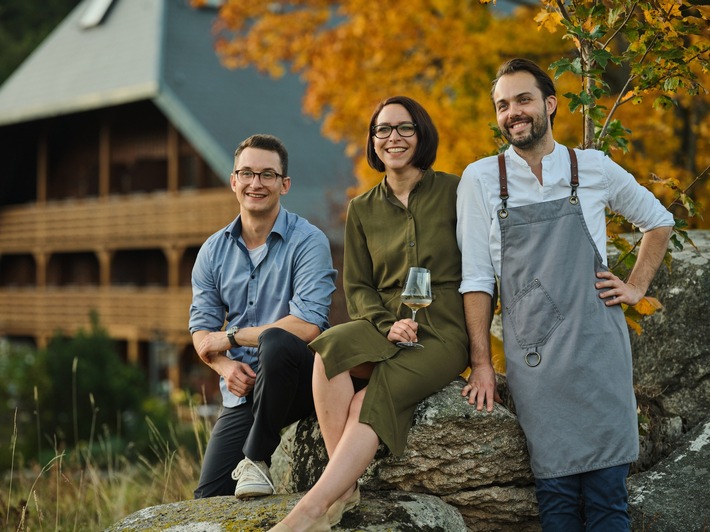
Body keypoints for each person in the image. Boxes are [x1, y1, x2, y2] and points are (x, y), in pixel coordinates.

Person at [456, 58, 674, 530]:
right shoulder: (480, 179)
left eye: (522, 100)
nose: (512, 112)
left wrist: (635, 287)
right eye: (502, 105)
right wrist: (481, 363)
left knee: (608, 499)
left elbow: (658, 221)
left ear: (550, 104)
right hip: (537, 360)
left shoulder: (591, 167)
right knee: (555, 498)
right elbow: (476, 279)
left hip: (599, 351)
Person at [269, 96, 470, 531]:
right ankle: (343, 488)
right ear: (372, 141)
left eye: (404, 128)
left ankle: (312, 509)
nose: (393, 138)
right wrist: (386, 324)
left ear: (422, 135)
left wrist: (486, 361)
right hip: (385, 322)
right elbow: (358, 287)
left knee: (369, 397)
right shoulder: (361, 208)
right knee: (328, 348)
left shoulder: (456, 191)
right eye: (383, 129)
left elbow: (480, 269)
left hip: (444, 331)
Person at [189, 133, 337, 499]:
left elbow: (307, 324)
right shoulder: (213, 250)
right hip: (246, 389)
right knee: (209, 499)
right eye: (248, 173)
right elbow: (202, 330)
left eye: (268, 175)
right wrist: (224, 367)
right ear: (234, 181)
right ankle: (246, 461)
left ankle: (256, 459)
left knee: (277, 341)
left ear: (284, 184)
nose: (257, 183)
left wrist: (233, 336)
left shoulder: (309, 240)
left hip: (301, 378)